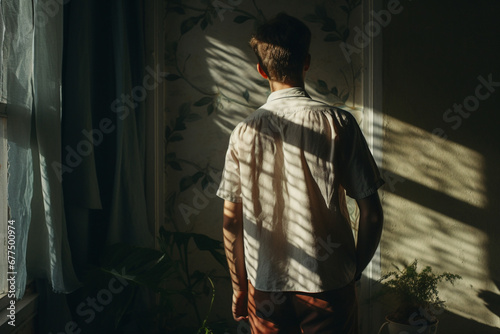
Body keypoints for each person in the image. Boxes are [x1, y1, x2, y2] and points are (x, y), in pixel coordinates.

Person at [216, 13, 384, 334]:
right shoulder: (339, 123)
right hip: (329, 284)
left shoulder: (243, 132)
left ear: (261, 70)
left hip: (265, 284)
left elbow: (231, 221)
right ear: (306, 62)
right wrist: (353, 271)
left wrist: (240, 288)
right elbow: (372, 214)